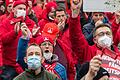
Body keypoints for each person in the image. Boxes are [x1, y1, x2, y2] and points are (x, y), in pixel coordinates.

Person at [69, 0, 119, 79]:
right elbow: (76, 38)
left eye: (108, 33)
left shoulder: (118, 54)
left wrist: (117, 22)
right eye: (101, 34)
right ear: (95, 40)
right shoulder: (89, 52)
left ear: (112, 38)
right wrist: (75, 15)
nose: (105, 36)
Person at [0, 0, 35, 79]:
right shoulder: (6, 23)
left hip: (26, 64)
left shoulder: (31, 23)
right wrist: (14, 33)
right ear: (13, 9)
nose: (22, 11)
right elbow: (3, 40)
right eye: (20, 8)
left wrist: (33, 36)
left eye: (24, 9)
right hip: (10, 66)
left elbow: (34, 44)